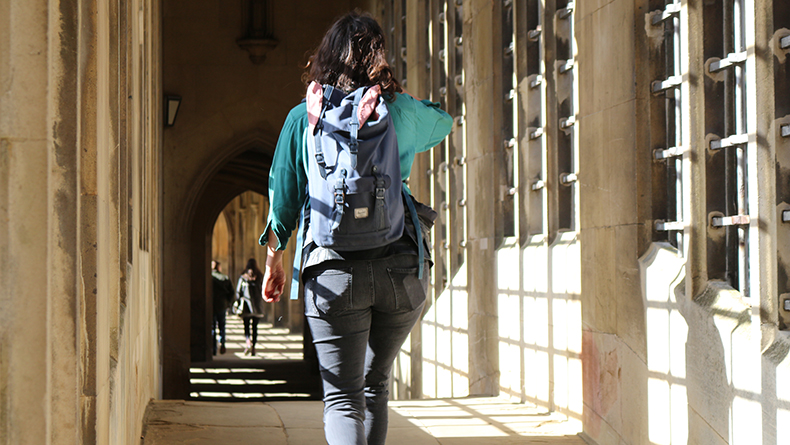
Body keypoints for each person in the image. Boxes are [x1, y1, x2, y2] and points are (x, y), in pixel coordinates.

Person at [259, 11, 452, 445]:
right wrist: (401, 98)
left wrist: (274, 261)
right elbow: (445, 122)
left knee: (343, 399)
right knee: (375, 386)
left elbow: (284, 202)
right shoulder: (397, 111)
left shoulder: (302, 118)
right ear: (379, 59)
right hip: (401, 269)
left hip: (331, 272)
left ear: (324, 60)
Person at [235, 258, 265, 356]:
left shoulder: (243, 277)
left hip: (246, 306)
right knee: (255, 327)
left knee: (246, 327)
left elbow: (238, 292)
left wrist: (237, 302)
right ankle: (254, 347)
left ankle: (248, 341)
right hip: (256, 306)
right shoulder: (260, 276)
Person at [210, 260, 234, 355]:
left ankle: (213, 348)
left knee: (212, 327)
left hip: (211, 305)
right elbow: (231, 292)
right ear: (219, 268)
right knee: (222, 326)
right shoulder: (225, 278)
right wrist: (228, 302)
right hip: (222, 305)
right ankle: (222, 343)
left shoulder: (209, 278)